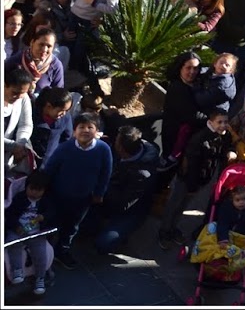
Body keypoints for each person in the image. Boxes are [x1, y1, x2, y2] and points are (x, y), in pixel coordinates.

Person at [41, 112, 113, 268]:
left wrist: (99, 193)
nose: (85, 130)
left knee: (72, 226)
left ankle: (62, 250)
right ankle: (44, 251)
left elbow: (105, 173)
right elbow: (50, 169)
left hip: (83, 198)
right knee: (51, 221)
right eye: (81, 127)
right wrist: (43, 188)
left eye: (90, 127)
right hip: (58, 195)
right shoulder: (64, 148)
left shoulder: (103, 149)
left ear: (97, 131)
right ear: (74, 131)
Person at [158, 108, 232, 248]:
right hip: (187, 179)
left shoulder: (223, 135)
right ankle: (164, 231)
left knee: (183, 205)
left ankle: (173, 227)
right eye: (219, 122)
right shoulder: (200, 139)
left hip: (201, 179)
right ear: (211, 122)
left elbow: (223, 152)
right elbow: (190, 166)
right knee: (174, 204)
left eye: (225, 122)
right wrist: (192, 186)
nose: (223, 125)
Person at [85, 124, 160, 253]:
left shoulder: (141, 175)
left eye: (116, 141)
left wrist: (100, 185)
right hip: (111, 193)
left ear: (121, 149)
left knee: (103, 243)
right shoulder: (134, 146)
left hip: (131, 209)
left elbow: (123, 204)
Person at [5, 171, 53, 296]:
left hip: (36, 232)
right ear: (26, 186)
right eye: (31, 189)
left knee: (40, 253)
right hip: (18, 230)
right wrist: (16, 226)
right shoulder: (19, 198)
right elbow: (9, 215)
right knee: (12, 243)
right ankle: (17, 270)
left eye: (38, 190)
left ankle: (40, 278)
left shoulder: (47, 201)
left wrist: (44, 217)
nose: (34, 193)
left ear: (44, 190)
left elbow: (53, 214)